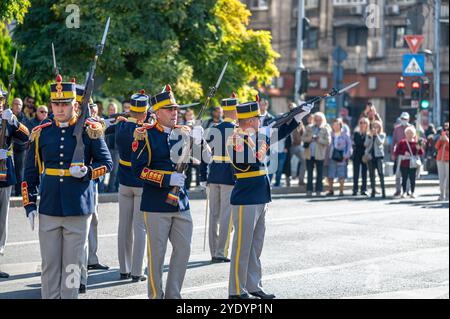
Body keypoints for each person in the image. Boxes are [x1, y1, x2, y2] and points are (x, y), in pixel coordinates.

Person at [22, 75, 112, 299]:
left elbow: (107, 163)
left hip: (78, 207)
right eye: (56, 104)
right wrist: (29, 204)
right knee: (50, 266)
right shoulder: (41, 132)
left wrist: (88, 172)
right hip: (50, 206)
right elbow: (30, 172)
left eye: (65, 104)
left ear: (75, 104)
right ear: (51, 105)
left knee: (72, 266)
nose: (60, 109)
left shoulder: (90, 130)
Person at [226, 95, 313, 299]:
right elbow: (251, 162)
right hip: (246, 197)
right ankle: (236, 290)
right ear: (247, 121)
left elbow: (280, 131)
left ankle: (253, 285)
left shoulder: (256, 135)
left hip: (260, 196)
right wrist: (262, 138)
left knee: (256, 246)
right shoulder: (235, 139)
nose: (260, 120)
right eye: (257, 118)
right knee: (241, 247)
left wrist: (298, 116)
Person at [131, 84, 210, 299]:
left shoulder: (183, 133)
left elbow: (207, 158)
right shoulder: (145, 135)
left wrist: (200, 139)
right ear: (157, 113)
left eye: (176, 109)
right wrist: (167, 179)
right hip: (156, 204)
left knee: (183, 250)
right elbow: (138, 171)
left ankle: (173, 295)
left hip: (181, 203)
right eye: (169, 109)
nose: (175, 113)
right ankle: (156, 295)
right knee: (156, 256)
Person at [104, 90, 149, 282]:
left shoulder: (121, 126)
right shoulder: (146, 128)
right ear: (144, 113)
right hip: (140, 181)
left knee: (124, 226)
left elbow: (105, 128)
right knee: (140, 228)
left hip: (123, 180)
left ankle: (124, 268)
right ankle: (138, 271)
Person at [0, 87, 30, 279]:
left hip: (3, 175)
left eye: (0, 99)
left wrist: (14, 121)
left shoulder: (7, 119)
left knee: (1, 221)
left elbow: (26, 136)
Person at [205, 94, 238, 263]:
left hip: (214, 173)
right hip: (229, 174)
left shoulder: (215, 128)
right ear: (235, 110)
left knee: (214, 215)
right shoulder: (237, 129)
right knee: (226, 215)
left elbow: (205, 150)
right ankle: (221, 251)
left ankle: (213, 250)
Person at [303, 112, 331, 197]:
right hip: (309, 154)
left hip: (319, 154)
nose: (318, 121)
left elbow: (328, 141)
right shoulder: (308, 127)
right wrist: (310, 138)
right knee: (309, 173)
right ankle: (309, 190)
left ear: (322, 120)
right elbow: (303, 138)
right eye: (316, 119)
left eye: (319, 120)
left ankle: (319, 190)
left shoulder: (325, 129)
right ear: (314, 120)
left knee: (319, 173)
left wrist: (319, 139)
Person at [394, 126, 424, 199]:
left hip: (413, 164)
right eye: (408, 133)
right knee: (404, 178)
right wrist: (404, 152)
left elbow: (421, 153)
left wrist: (419, 148)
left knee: (412, 178)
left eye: (411, 133)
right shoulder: (402, 142)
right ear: (405, 134)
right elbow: (396, 151)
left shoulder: (416, 142)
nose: (409, 134)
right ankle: (404, 192)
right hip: (404, 163)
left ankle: (412, 192)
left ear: (413, 134)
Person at [326, 119, 353, 197]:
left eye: (337, 125)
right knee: (330, 174)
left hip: (342, 157)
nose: (335, 126)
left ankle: (341, 191)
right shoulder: (331, 134)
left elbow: (349, 146)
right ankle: (331, 190)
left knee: (341, 174)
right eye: (334, 125)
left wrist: (346, 155)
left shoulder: (345, 135)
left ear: (340, 125)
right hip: (332, 156)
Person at [391, 112, 413, 197]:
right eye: (402, 119)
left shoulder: (412, 127)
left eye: (405, 119)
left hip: (409, 154)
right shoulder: (397, 129)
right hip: (399, 154)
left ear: (408, 119)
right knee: (398, 173)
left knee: (408, 173)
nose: (404, 120)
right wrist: (393, 153)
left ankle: (408, 190)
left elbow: (415, 140)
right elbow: (393, 141)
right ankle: (398, 190)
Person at [365, 120, 386, 199]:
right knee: (371, 174)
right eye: (374, 126)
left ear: (380, 127)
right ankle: (373, 191)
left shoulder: (382, 135)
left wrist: (376, 135)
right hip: (371, 157)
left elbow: (380, 143)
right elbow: (366, 144)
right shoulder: (368, 135)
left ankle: (383, 191)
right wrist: (370, 136)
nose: (375, 128)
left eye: (377, 127)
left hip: (378, 157)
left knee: (381, 174)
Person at [11, 98, 28, 196]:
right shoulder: (6, 115)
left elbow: (24, 135)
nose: (17, 106)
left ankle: (19, 192)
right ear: (12, 105)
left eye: (20, 105)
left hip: (20, 149)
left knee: (19, 171)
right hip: (8, 148)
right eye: (16, 104)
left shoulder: (24, 119)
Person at [352, 117, 369, 196]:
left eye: (364, 123)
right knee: (356, 172)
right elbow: (357, 142)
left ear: (367, 124)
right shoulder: (356, 133)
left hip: (365, 154)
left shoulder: (369, 134)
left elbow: (368, 144)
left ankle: (364, 189)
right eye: (361, 122)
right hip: (357, 154)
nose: (362, 124)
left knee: (364, 172)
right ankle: (355, 189)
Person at [105, 102, 120, 192]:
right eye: (111, 109)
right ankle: (101, 189)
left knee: (114, 172)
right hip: (106, 149)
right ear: (108, 111)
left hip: (116, 150)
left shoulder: (119, 122)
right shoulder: (104, 120)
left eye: (114, 109)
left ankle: (111, 189)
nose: (112, 111)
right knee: (104, 171)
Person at [435, 122, 449, 201]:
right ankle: (441, 194)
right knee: (441, 178)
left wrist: (446, 140)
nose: (446, 130)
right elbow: (436, 147)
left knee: (448, 178)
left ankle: (447, 194)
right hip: (440, 159)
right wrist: (440, 139)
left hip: (448, 159)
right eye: (445, 128)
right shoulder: (442, 135)